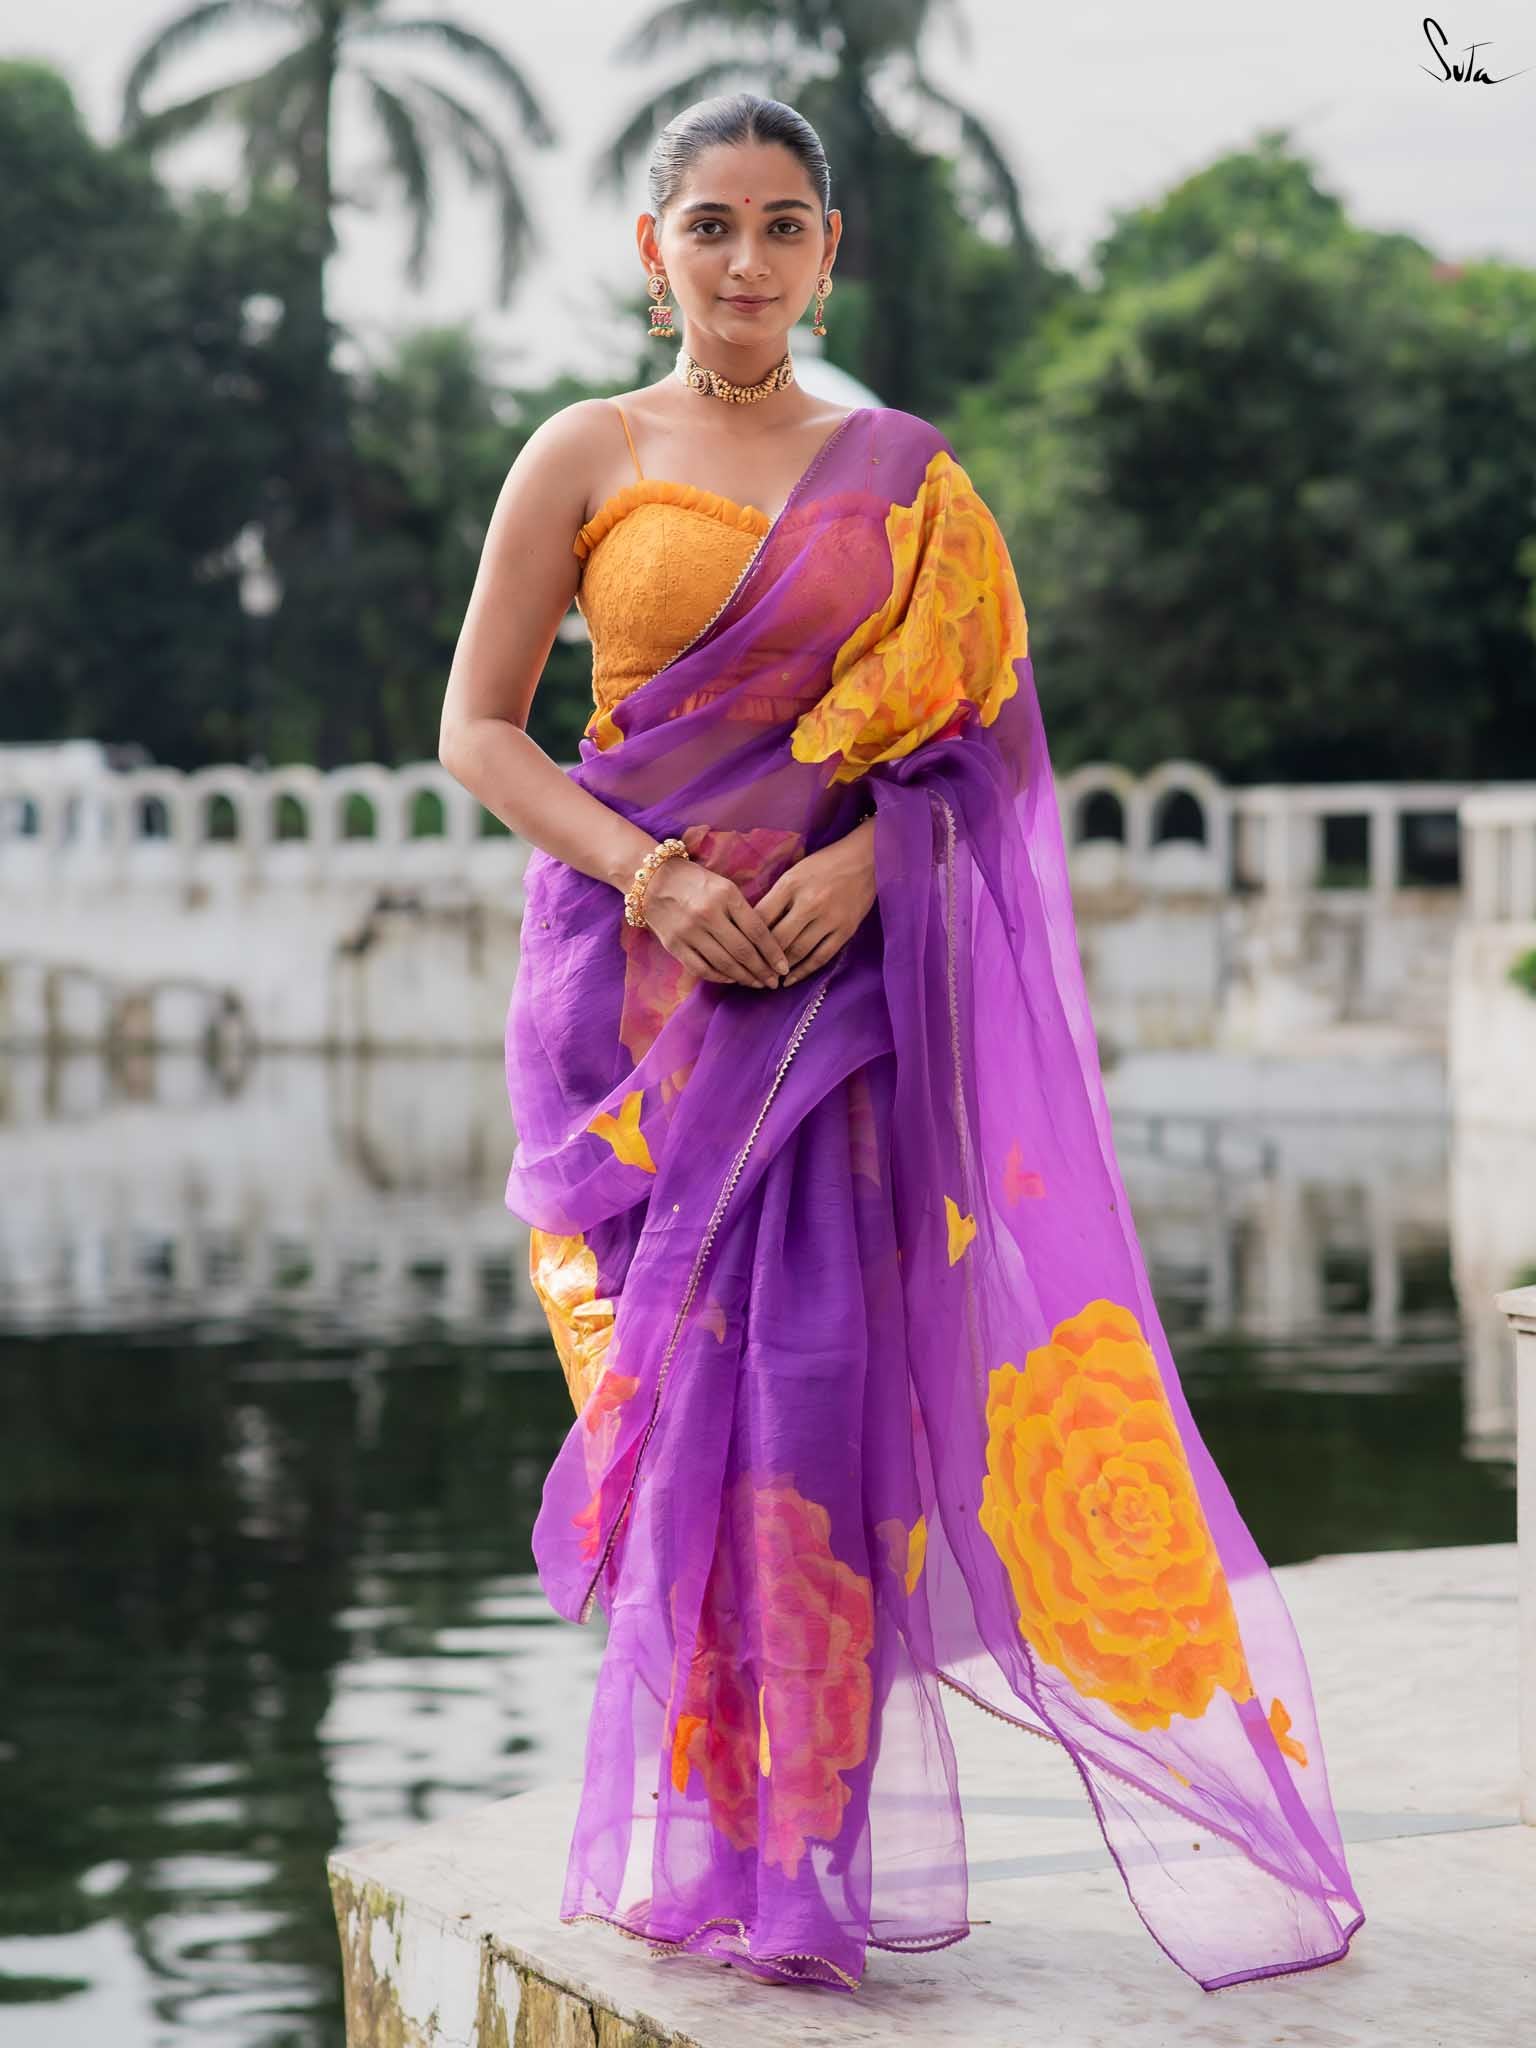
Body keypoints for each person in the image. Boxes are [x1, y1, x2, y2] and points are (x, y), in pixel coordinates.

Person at [438, 91, 1365, 1998]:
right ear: (652, 250)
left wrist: (874, 872)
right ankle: (703, 1846)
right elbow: (480, 731)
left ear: (830, 251)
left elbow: (986, 768)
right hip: (637, 1022)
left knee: (821, 1425)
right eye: (712, 226)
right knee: (676, 1424)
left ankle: (807, 1881)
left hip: (853, 1018)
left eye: (785, 227)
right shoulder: (584, 453)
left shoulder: (914, 479)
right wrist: (657, 881)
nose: (749, 262)